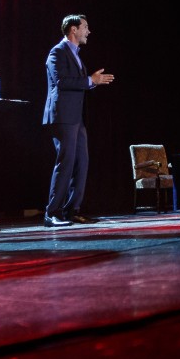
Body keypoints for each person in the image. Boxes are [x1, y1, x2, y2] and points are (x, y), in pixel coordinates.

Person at [42, 14, 114, 227]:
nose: (88, 31)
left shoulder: (75, 54)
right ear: (73, 30)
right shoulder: (57, 52)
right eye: (85, 27)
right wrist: (90, 80)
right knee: (65, 163)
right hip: (62, 117)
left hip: (75, 118)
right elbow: (61, 81)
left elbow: (79, 83)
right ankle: (52, 212)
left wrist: (92, 81)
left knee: (81, 162)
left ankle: (72, 210)